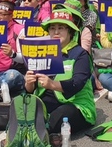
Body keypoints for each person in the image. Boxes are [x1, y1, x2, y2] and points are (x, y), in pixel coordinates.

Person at [24, 10, 96, 144]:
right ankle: (33, 133)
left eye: (61, 28)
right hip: (47, 102)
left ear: (70, 32)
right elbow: (30, 89)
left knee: (62, 115)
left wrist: (52, 85)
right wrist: (28, 83)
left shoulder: (80, 54)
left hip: (76, 104)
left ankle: (33, 134)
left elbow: (77, 83)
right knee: (22, 106)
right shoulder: (42, 50)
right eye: (52, 28)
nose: (56, 32)